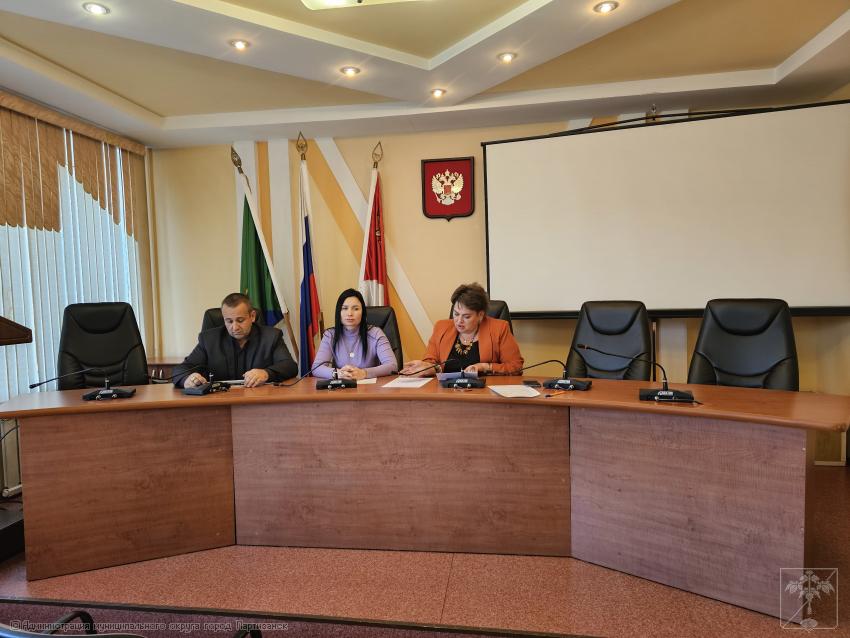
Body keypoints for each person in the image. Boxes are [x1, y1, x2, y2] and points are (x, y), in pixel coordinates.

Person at [174, 293, 297, 388]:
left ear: (252, 316)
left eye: (240, 320)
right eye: (229, 321)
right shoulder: (209, 340)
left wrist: (266, 373)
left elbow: (290, 366)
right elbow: (180, 370)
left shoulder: (271, 336)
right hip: (218, 401)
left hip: (258, 400)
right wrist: (188, 379)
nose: (234, 327)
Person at [400, 283, 523, 377]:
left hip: (484, 393)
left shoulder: (499, 328)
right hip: (447, 392)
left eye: (466, 316)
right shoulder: (441, 327)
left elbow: (516, 367)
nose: (459, 321)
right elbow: (431, 361)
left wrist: (485, 367)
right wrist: (427, 366)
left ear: (480, 315)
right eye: (456, 314)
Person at [311, 288, 397, 380]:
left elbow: (392, 366)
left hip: (370, 387)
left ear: (363, 312)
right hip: (341, 387)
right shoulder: (330, 335)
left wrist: (364, 373)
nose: (349, 313)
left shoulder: (375, 333)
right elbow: (316, 368)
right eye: (345, 308)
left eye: (355, 309)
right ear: (339, 312)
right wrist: (337, 373)